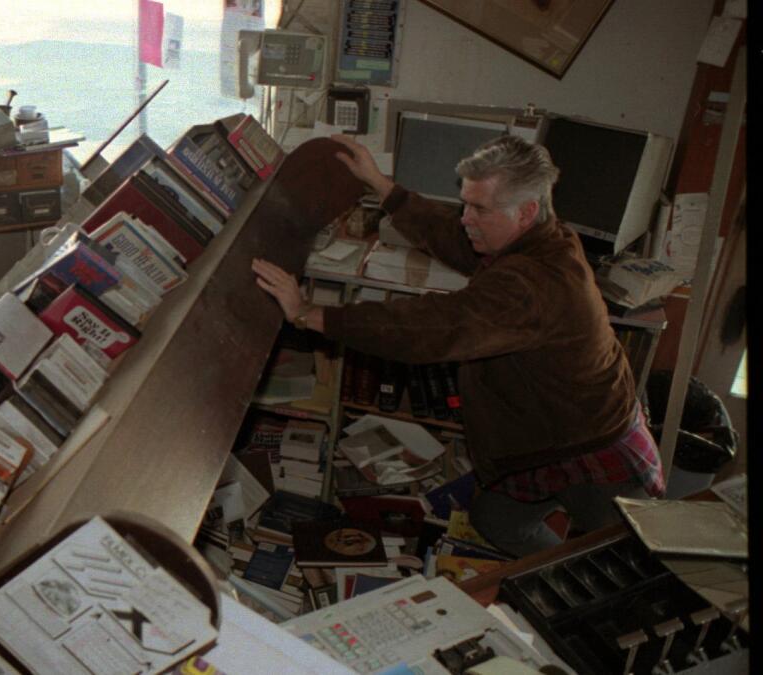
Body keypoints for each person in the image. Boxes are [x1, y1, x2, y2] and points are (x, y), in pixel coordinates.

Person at [251, 134, 664, 557]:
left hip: (590, 447)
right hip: (550, 436)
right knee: (495, 520)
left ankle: (560, 577)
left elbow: (432, 328)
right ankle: (552, 566)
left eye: (479, 208)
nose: (466, 218)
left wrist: (310, 313)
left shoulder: (528, 285)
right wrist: (383, 187)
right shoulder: (541, 237)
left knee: (615, 567)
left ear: (526, 211)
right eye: (465, 202)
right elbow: (455, 238)